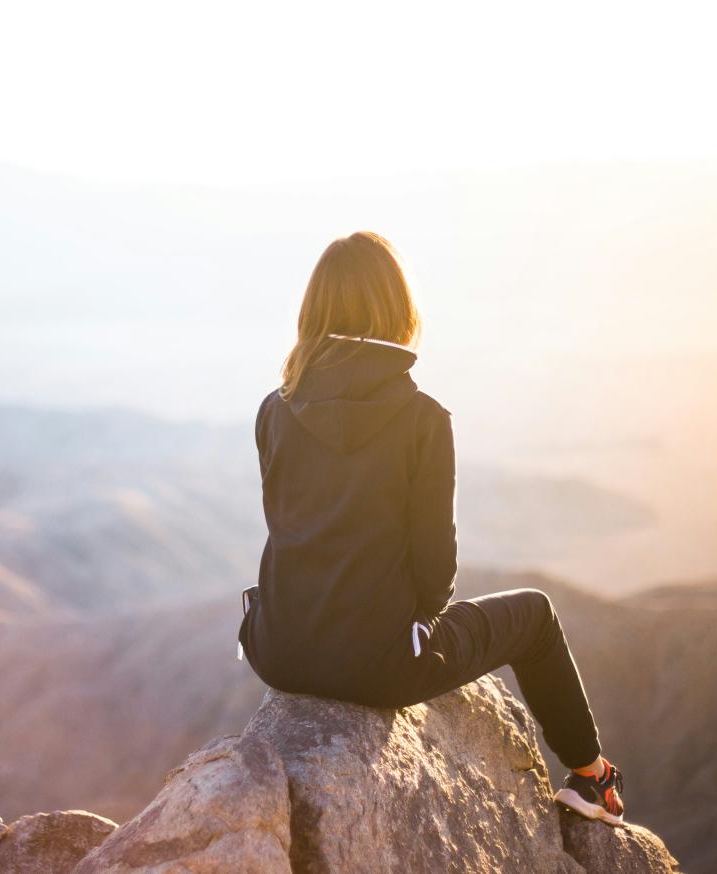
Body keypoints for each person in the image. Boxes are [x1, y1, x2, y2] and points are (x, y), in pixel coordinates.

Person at [235, 230, 625, 826]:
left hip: (276, 649)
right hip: (380, 666)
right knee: (537, 616)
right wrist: (408, 631)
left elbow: (286, 526)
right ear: (397, 309)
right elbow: (436, 570)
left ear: (313, 310)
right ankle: (591, 777)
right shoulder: (422, 419)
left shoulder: (274, 407)